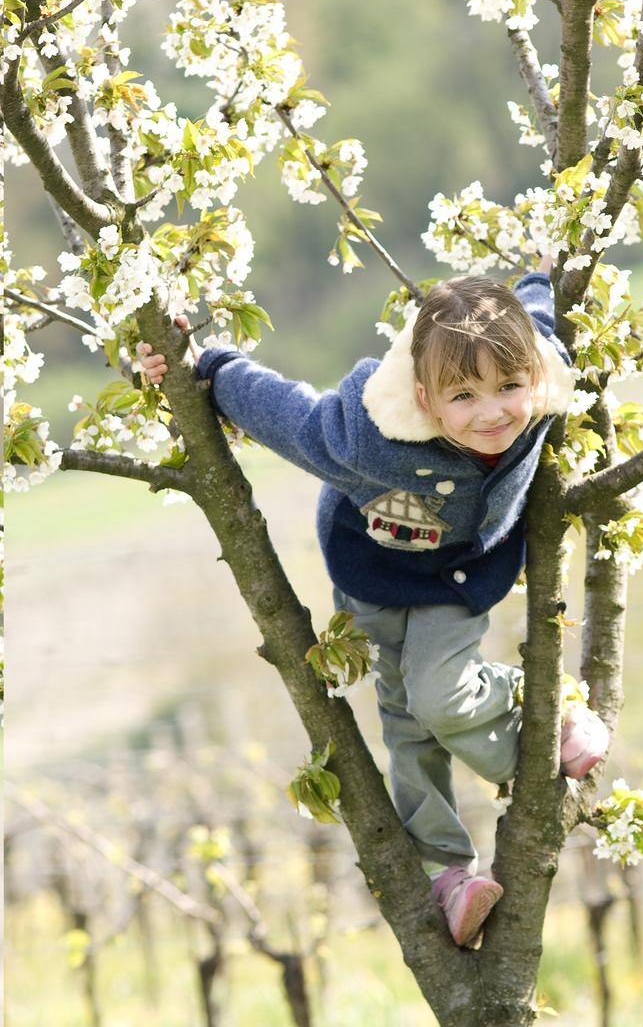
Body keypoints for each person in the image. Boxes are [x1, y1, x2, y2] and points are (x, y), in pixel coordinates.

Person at [137, 267, 610, 946]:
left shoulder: (544, 378)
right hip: (375, 571)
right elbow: (286, 412)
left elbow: (537, 311)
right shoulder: (365, 436)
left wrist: (537, 277)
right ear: (425, 397)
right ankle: (448, 871)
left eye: (509, 386)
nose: (492, 412)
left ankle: (550, 711)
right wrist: (204, 366)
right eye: (463, 395)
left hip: (460, 573)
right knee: (407, 721)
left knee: (440, 697)